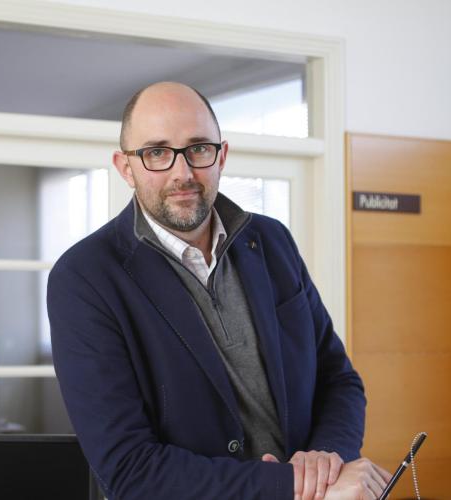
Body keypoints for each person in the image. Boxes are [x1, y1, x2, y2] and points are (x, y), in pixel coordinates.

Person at [47, 81, 390, 500]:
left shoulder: (272, 241)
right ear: (125, 167)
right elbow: (129, 468)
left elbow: (337, 379)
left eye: (198, 148)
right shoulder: (84, 278)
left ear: (222, 155)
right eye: (157, 152)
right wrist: (289, 485)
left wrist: (326, 459)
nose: (183, 173)